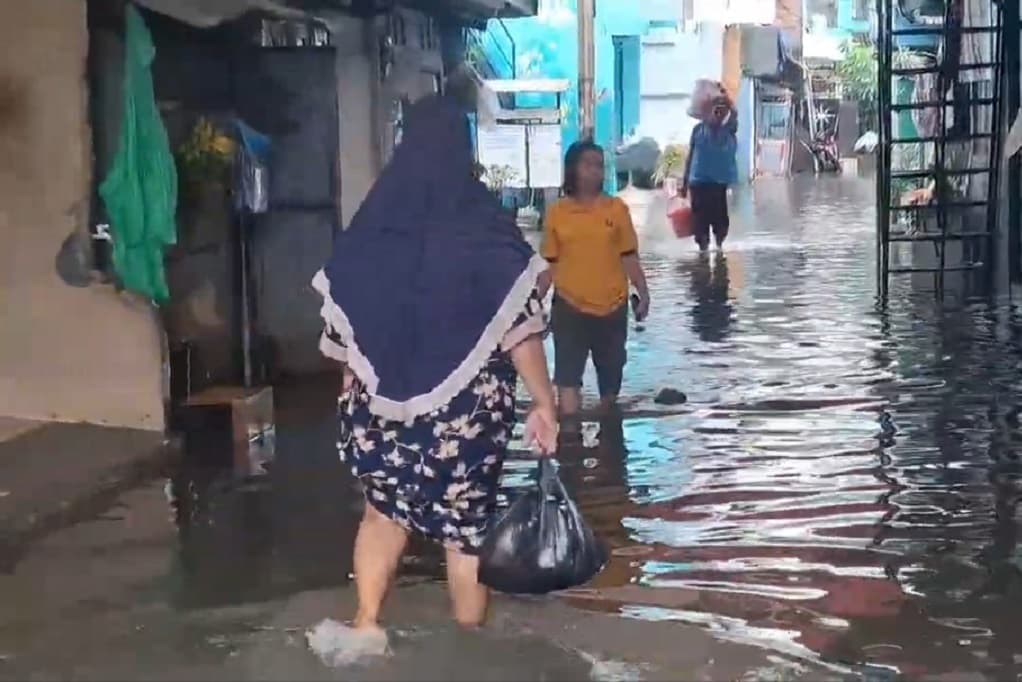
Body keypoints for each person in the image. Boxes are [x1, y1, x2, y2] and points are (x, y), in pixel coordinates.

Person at [310, 93, 558, 655]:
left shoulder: (375, 224)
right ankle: (468, 651)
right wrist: (544, 403)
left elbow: (346, 337)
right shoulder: (480, 224)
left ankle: (368, 622)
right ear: (463, 149)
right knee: (464, 533)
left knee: (380, 514)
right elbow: (519, 328)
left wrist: (353, 391)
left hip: (380, 406)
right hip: (466, 416)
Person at [538, 141, 650, 420]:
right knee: (567, 378)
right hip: (569, 306)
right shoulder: (558, 213)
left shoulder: (616, 210)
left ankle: (609, 442)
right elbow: (549, 264)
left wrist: (643, 292)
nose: (594, 171)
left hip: (613, 307)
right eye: (587, 164)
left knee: (610, 383)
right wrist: (531, 303)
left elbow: (629, 257)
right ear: (573, 169)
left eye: (599, 165)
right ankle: (570, 443)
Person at [680, 95, 738, 253]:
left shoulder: (728, 130)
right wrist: (684, 183)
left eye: (721, 111)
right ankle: (703, 253)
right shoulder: (698, 130)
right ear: (708, 113)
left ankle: (719, 248)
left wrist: (727, 100)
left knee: (720, 221)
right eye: (715, 110)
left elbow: (734, 115)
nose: (718, 114)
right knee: (700, 222)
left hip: (718, 184)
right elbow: (690, 156)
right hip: (698, 182)